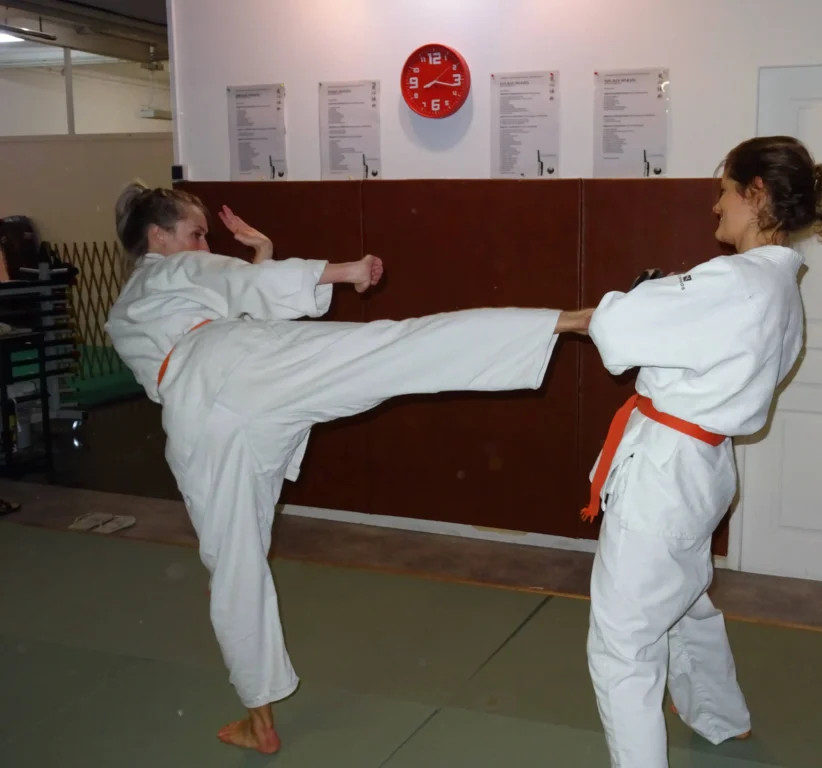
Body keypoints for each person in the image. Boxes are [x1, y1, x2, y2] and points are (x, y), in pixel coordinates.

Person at [104, 183, 594, 754]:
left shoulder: (131, 307)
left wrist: (263, 255)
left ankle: (258, 719)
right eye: (195, 234)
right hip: (234, 368)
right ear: (157, 237)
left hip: (202, 418)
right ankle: (564, 321)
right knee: (394, 350)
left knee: (233, 565)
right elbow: (232, 288)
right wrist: (346, 270)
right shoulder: (169, 272)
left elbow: (233, 294)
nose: (205, 245)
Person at [582, 136, 822, 767]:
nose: (716, 208)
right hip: (701, 466)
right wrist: (664, 298)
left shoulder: (734, 282)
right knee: (682, 594)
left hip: (665, 472)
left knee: (623, 647)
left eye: (724, 192)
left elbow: (617, 330)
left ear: (756, 193)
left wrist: (643, 298)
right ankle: (718, 713)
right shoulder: (780, 289)